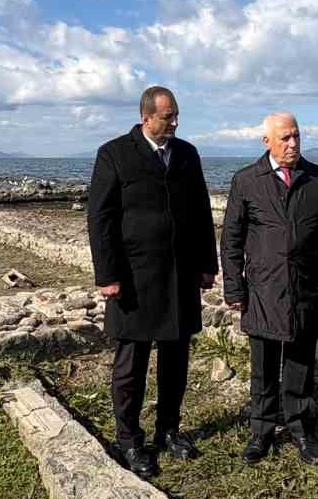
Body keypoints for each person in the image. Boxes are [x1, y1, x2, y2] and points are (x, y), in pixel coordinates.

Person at [86, 85, 219, 478]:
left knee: (176, 360)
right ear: (146, 117)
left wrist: (206, 264)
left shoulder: (187, 154)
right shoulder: (114, 153)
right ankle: (129, 440)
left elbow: (199, 211)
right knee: (132, 364)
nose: (174, 122)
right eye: (167, 117)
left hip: (179, 276)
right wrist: (107, 275)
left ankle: (169, 429)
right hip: (133, 279)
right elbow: (100, 218)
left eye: (177, 115)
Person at [221, 112, 318, 466]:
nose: (293, 144)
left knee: (300, 363)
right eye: (285, 139)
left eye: (296, 136)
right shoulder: (247, 180)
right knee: (263, 366)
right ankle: (261, 430)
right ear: (267, 142)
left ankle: (301, 428)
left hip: (307, 289)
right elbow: (231, 239)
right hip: (262, 289)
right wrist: (234, 289)